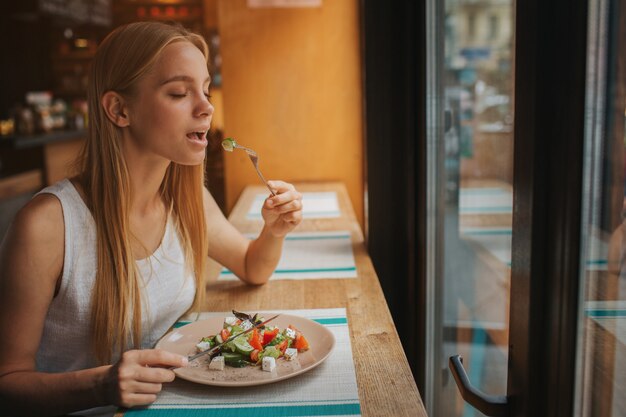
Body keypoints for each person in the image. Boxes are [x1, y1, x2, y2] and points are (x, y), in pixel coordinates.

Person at [0, 21, 302, 416]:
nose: (206, 106)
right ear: (119, 109)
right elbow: (8, 383)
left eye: (205, 90)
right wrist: (101, 384)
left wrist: (274, 231)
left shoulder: (186, 199)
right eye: (179, 92)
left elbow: (251, 266)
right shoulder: (46, 225)